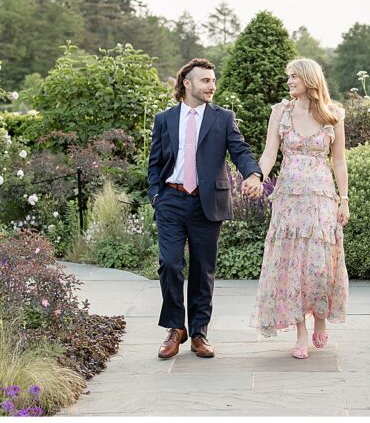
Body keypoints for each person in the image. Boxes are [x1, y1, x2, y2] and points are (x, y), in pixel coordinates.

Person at [147, 58, 263, 359]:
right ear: (187, 84)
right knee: (170, 264)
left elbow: (240, 150)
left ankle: (199, 333)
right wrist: (156, 196)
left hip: (207, 202)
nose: (211, 86)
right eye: (205, 81)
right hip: (171, 200)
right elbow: (155, 163)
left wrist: (253, 173)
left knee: (203, 270)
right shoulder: (165, 119)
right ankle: (175, 328)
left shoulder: (223, 118)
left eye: (213, 81)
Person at [249, 57, 350, 358]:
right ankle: (301, 332)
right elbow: (269, 154)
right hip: (289, 201)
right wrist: (258, 176)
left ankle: (320, 318)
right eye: (288, 77)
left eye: (294, 76)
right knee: (291, 267)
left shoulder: (334, 115)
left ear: (309, 79)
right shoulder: (280, 112)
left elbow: (340, 161)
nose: (289, 81)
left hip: (321, 198)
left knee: (319, 265)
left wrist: (344, 199)